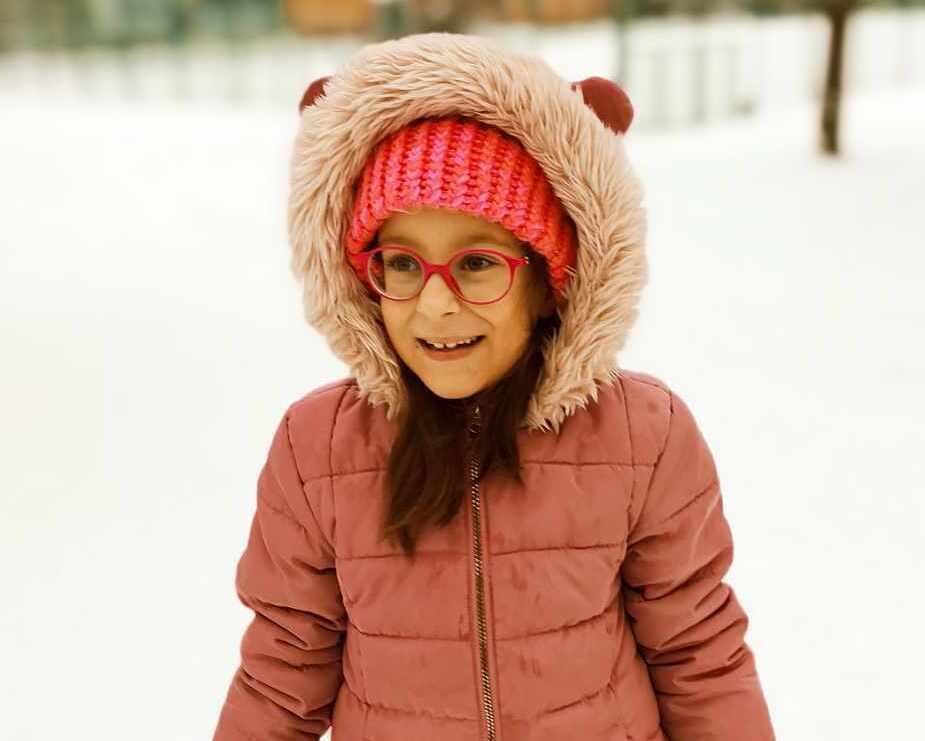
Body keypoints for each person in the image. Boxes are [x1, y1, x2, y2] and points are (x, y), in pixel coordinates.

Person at [212, 32, 775, 741]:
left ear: (546, 279)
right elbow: (283, 670)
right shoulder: (318, 448)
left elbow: (698, 653)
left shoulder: (643, 435)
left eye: (476, 264)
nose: (434, 304)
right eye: (402, 264)